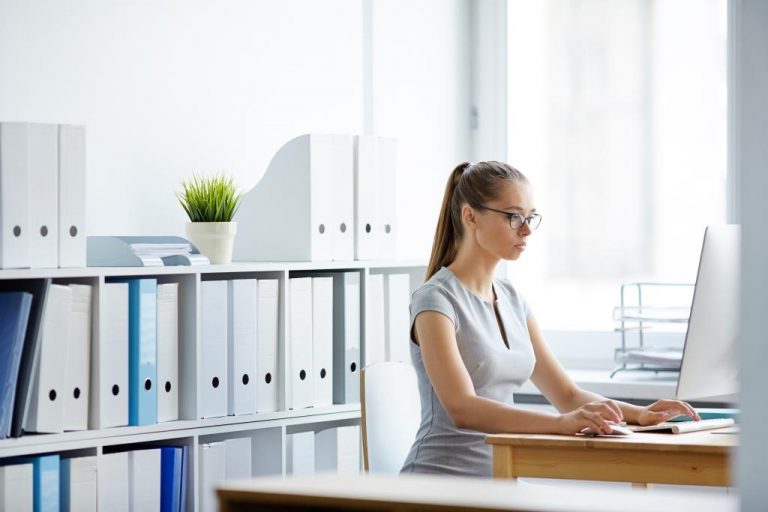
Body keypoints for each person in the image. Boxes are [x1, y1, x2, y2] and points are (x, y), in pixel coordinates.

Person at [400, 161, 700, 477]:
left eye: (530, 218)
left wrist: (640, 414)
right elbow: (462, 408)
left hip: (498, 481)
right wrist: (560, 424)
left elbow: (567, 396)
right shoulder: (435, 300)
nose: (527, 229)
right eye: (514, 217)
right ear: (470, 216)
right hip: (438, 482)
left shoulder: (512, 298)